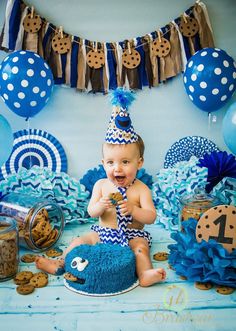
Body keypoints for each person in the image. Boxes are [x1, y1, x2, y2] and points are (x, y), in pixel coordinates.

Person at [35, 88, 166, 287]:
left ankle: (145, 273)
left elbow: (151, 216)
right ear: (103, 163)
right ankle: (60, 262)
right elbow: (90, 211)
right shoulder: (101, 185)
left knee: (140, 248)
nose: (117, 168)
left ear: (139, 163)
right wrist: (101, 206)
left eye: (125, 162)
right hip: (103, 232)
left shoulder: (141, 189)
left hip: (131, 235)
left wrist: (133, 210)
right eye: (111, 163)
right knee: (80, 241)